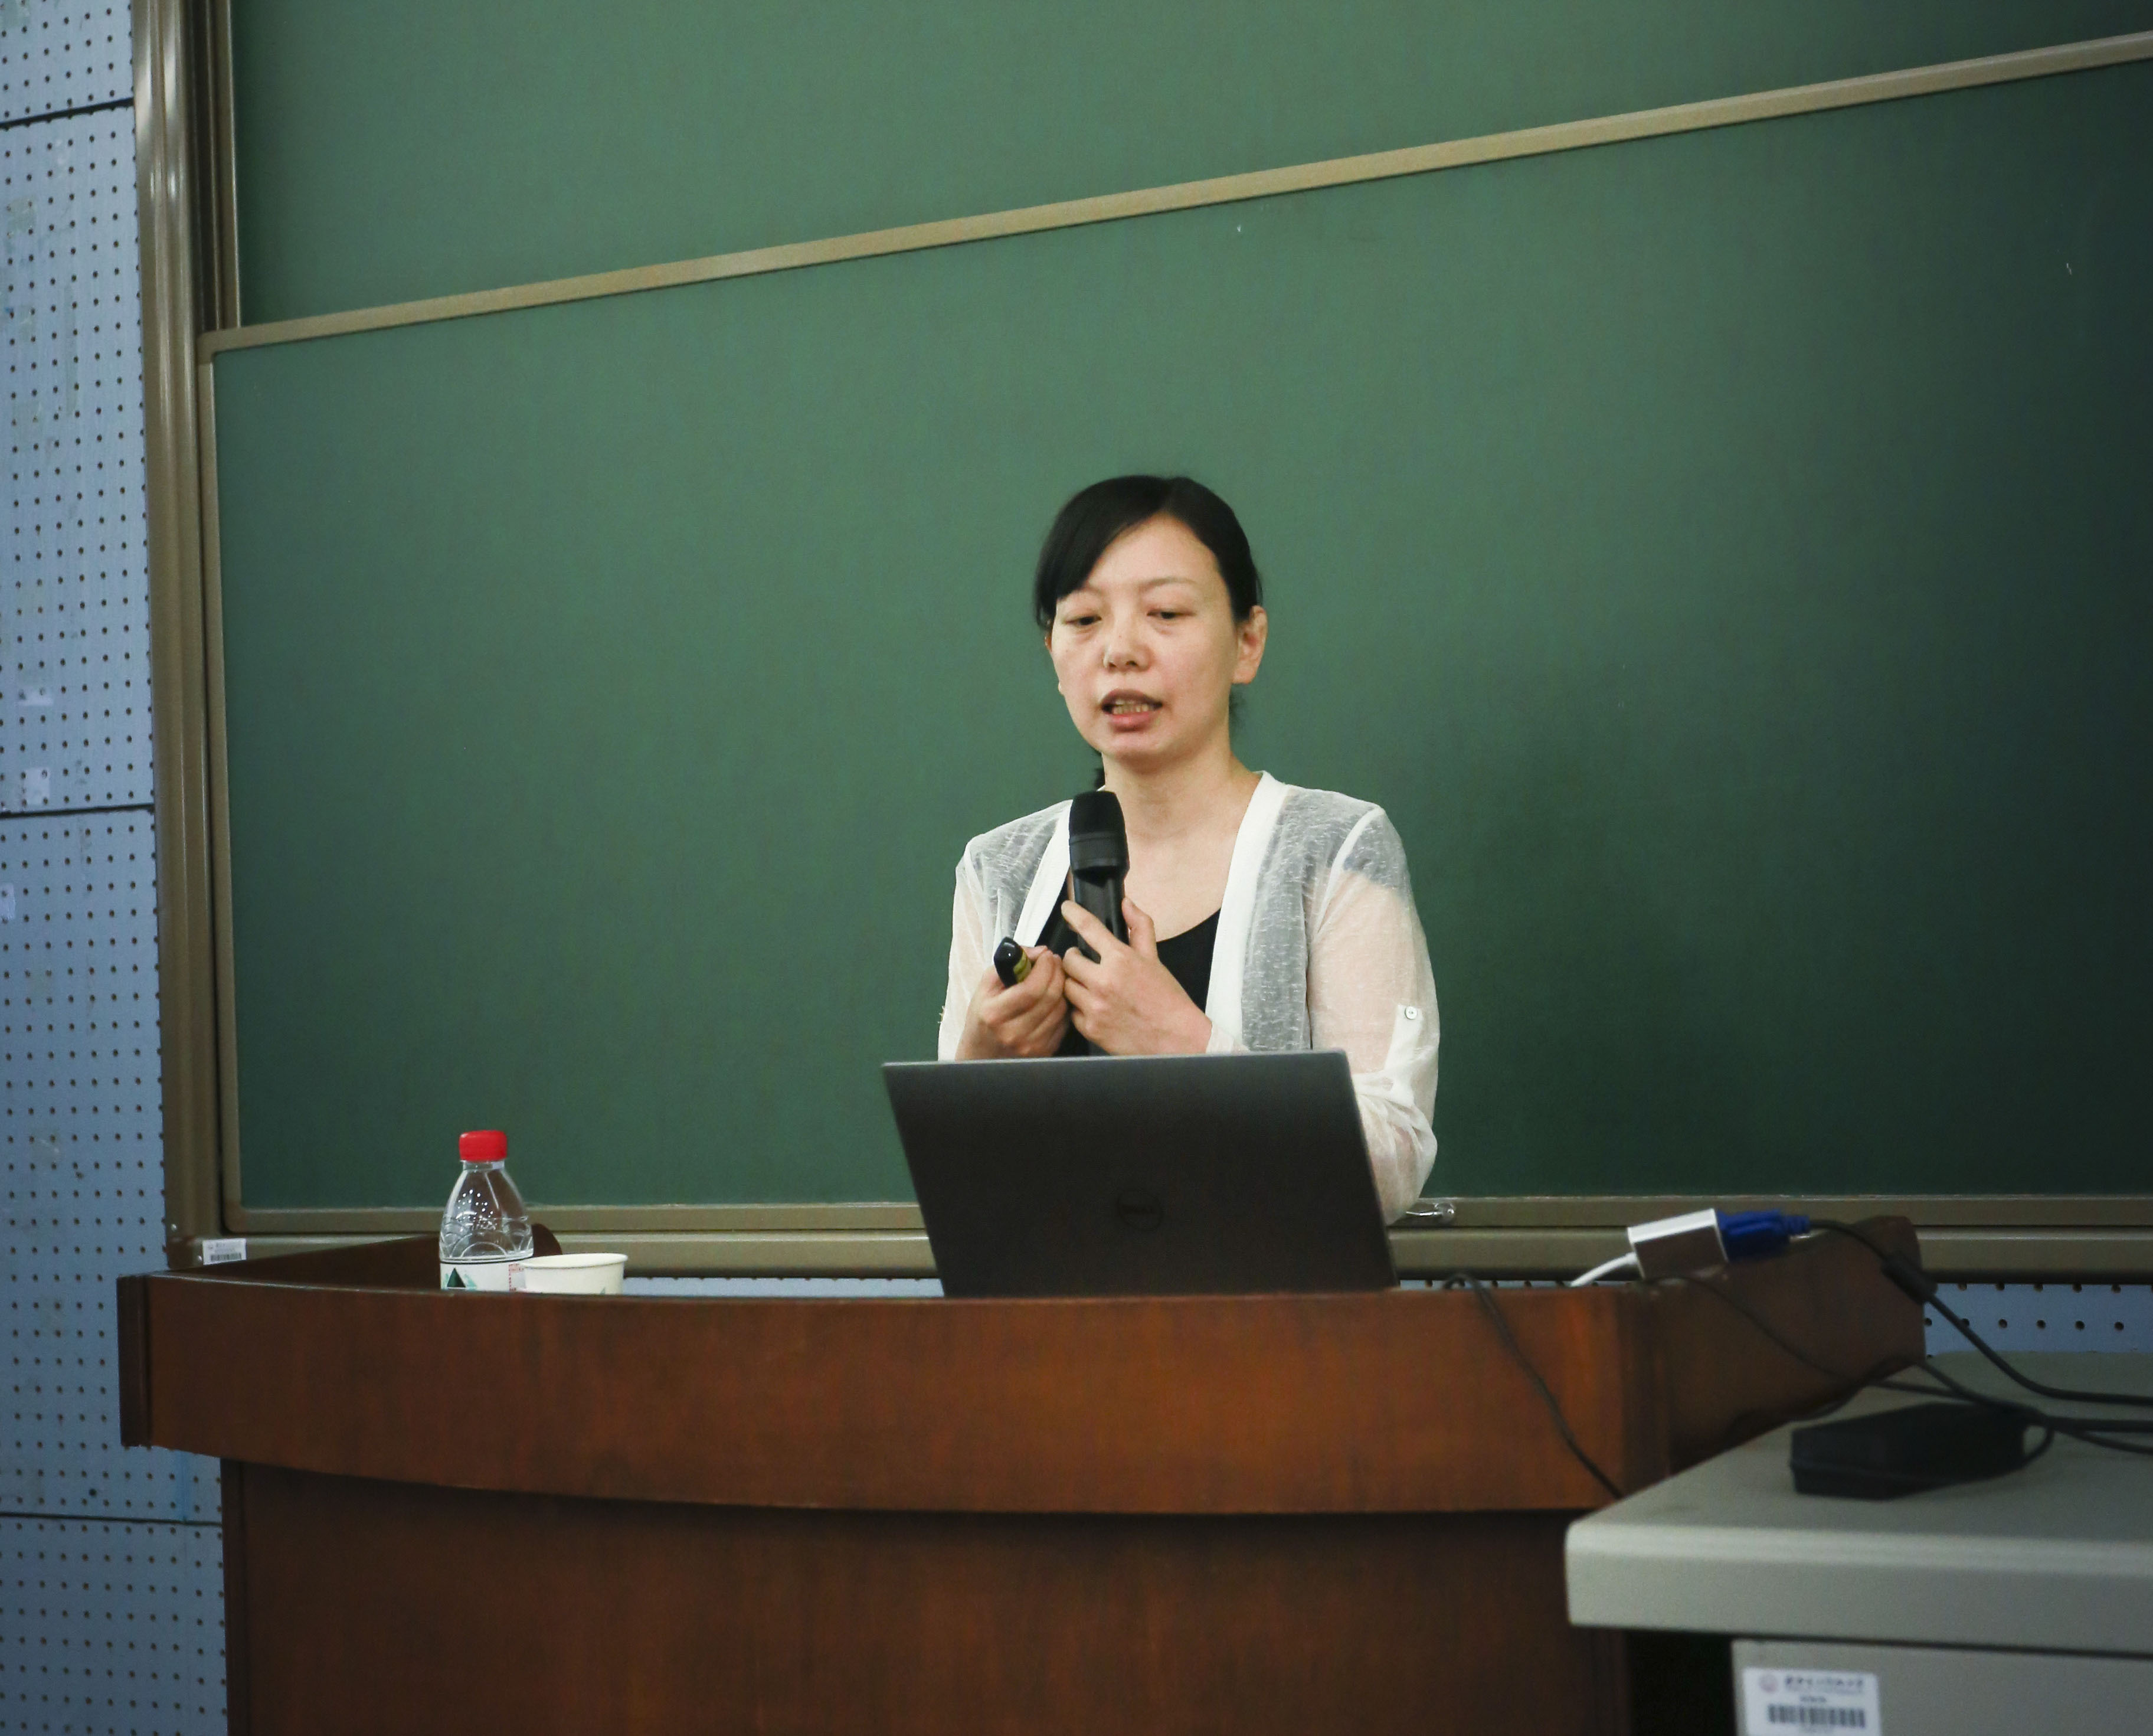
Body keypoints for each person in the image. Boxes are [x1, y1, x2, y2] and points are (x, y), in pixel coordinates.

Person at [937, 475, 1440, 1219]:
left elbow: (1390, 1165)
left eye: (1166, 613)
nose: (1120, 651)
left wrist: (1183, 1045)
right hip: (1051, 1295)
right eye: (1084, 619)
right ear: (1053, 653)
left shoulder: (1336, 849)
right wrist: (977, 1067)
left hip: (1272, 1296)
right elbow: (963, 1200)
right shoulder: (998, 868)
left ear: (1248, 642)